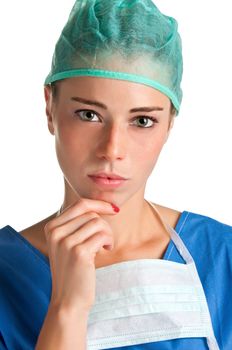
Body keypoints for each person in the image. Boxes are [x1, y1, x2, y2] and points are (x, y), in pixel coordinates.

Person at [0, 0, 231, 349]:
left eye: (142, 121)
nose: (112, 149)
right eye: (88, 114)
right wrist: (67, 308)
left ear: (169, 124)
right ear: (50, 107)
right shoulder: (5, 273)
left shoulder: (222, 258)